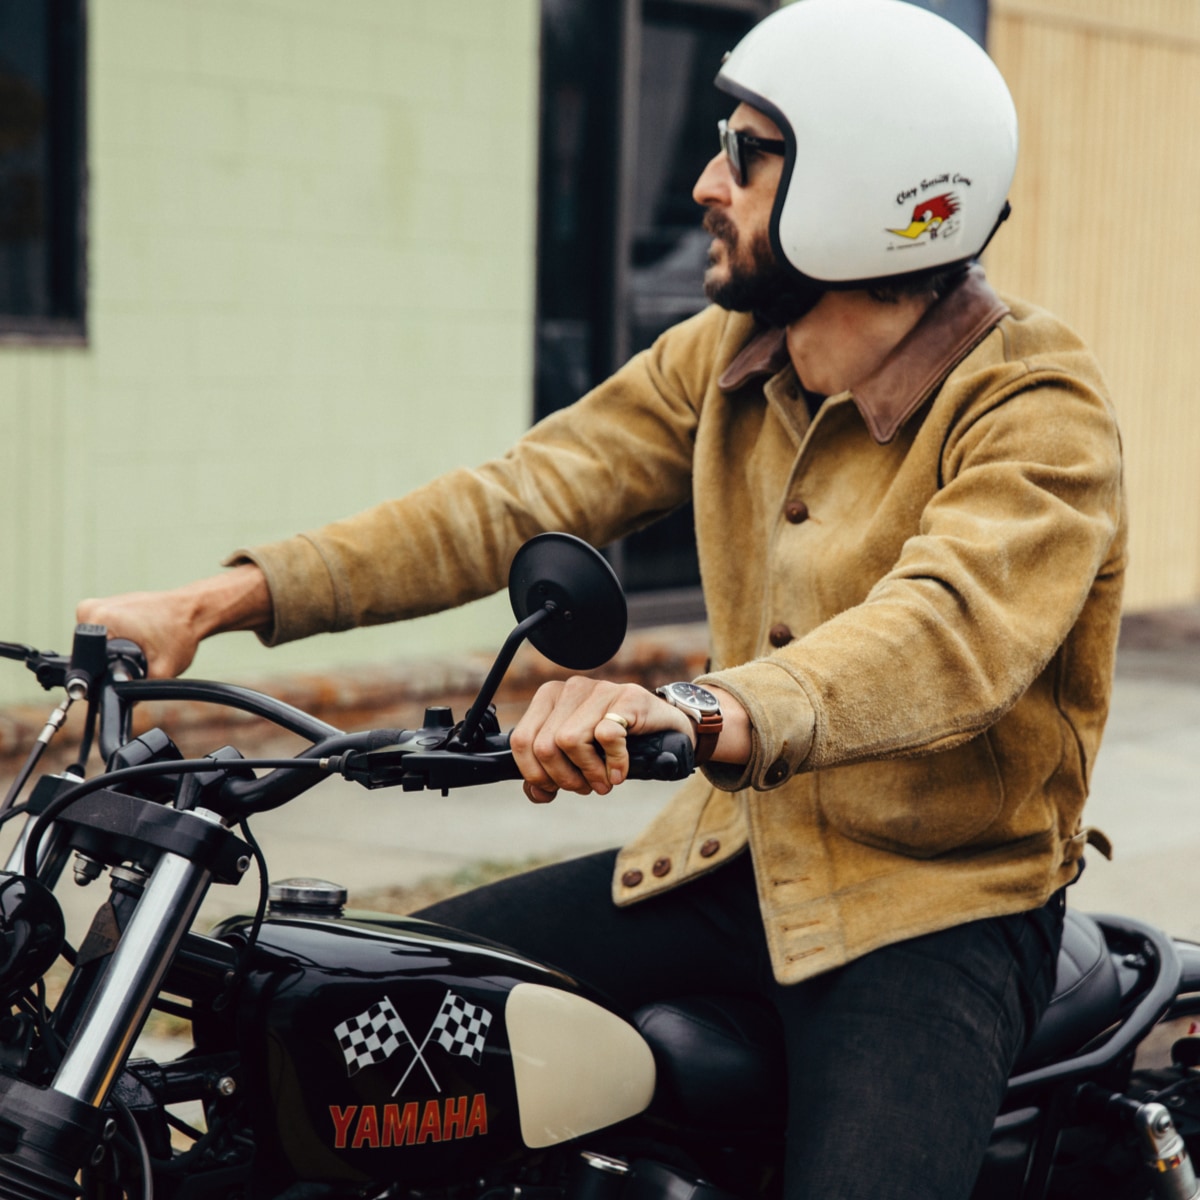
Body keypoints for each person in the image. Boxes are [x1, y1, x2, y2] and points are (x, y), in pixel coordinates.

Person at [78, 1, 1125, 1195]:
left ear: (864, 186)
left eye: (744, 153)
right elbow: (513, 499)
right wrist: (218, 601)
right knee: (340, 1032)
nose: (704, 185)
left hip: (934, 905)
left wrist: (694, 709)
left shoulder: (1035, 403)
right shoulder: (730, 357)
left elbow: (947, 633)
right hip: (732, 867)